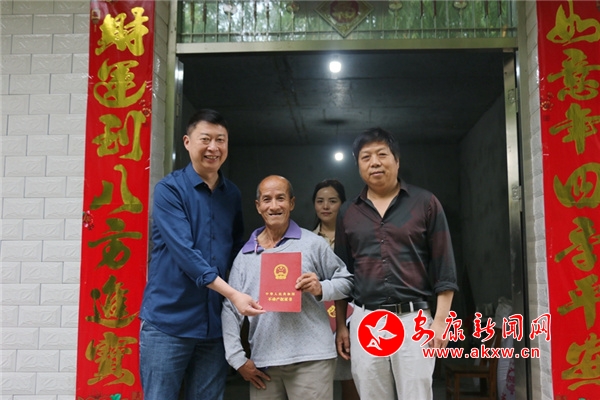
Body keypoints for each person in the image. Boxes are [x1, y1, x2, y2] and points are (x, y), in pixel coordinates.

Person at [139, 109, 264, 400]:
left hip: (213, 325)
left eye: (221, 140)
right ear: (187, 142)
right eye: (205, 139)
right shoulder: (169, 190)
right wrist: (233, 294)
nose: (213, 147)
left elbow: (236, 251)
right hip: (168, 323)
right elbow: (186, 254)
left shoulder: (231, 194)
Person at [334, 127, 458, 400]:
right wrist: (342, 325)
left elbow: (444, 267)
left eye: (382, 154)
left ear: (397, 160)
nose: (374, 162)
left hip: (414, 320)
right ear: (358, 165)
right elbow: (343, 275)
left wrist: (441, 321)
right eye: (366, 157)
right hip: (366, 320)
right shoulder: (348, 212)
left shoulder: (425, 203)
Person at [222, 175, 353, 400]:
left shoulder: (312, 243)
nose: (274, 206)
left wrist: (321, 288)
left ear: (291, 203)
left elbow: (347, 281)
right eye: (267, 199)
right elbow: (230, 308)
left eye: (280, 198)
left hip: (312, 359)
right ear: (258, 206)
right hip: (264, 363)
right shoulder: (245, 255)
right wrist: (237, 358)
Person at [311, 179, 360, 400]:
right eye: (320, 201)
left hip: (352, 314)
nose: (325, 206)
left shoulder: (355, 237)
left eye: (332, 201)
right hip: (318, 317)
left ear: (342, 204)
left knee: (351, 375)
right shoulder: (307, 240)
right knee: (317, 380)